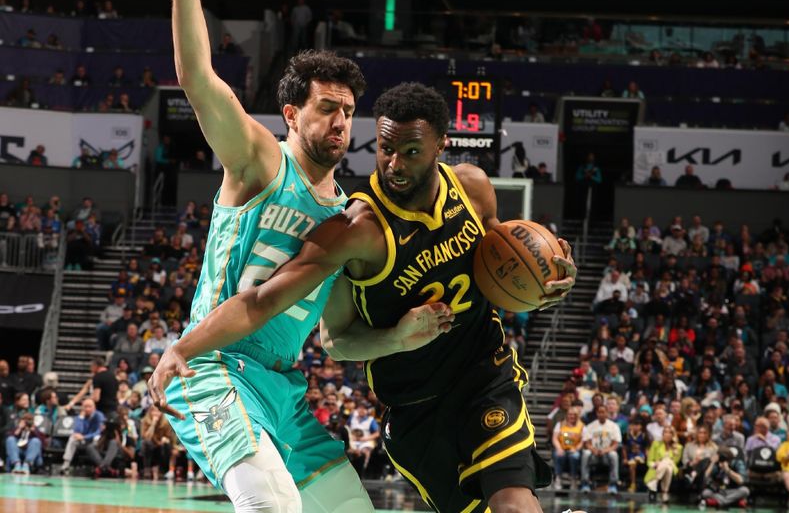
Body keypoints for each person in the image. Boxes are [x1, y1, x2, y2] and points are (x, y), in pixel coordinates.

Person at [149, 82, 578, 513]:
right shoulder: (355, 231)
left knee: (513, 504)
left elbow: (504, 266)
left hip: (485, 377)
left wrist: (545, 281)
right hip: (415, 408)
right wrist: (397, 337)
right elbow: (285, 313)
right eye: (386, 149)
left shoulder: (472, 188)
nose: (395, 165)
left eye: (411, 152)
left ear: (440, 147)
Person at [151, 0, 412, 511]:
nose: (342, 121)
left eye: (349, 109)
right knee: (273, 507)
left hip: (284, 388)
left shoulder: (348, 216)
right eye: (327, 107)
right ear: (292, 114)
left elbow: (339, 339)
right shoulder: (259, 162)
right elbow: (196, 77)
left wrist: (397, 336)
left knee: (352, 509)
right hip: (215, 365)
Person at [580, 404, 621, 494]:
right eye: (599, 412)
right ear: (597, 413)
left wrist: (605, 450)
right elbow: (587, 443)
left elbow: (615, 444)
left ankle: (613, 484)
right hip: (594, 455)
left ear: (607, 413)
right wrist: (593, 450)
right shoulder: (590, 426)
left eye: (603, 412)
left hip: (606, 455)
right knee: (585, 453)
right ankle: (585, 483)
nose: (601, 414)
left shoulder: (614, 426)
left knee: (614, 454)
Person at [60, 398, 105, 474]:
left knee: (96, 438)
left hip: (95, 441)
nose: (87, 409)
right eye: (85, 407)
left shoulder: (99, 416)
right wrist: (81, 418)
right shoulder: (80, 417)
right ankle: (66, 465)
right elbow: (77, 431)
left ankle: (100, 466)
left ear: (94, 407)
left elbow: (99, 432)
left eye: (89, 406)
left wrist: (84, 437)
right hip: (84, 441)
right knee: (72, 438)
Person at [644, 425, 681, 503]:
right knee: (667, 468)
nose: (667, 434)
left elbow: (675, 462)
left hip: (672, 469)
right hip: (656, 468)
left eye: (670, 432)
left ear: (673, 435)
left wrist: (674, 452)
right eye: (665, 432)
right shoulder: (656, 444)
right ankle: (665, 492)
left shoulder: (678, 447)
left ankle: (654, 483)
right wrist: (655, 464)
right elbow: (649, 461)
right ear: (662, 434)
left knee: (668, 464)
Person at [552, 406, 583, 490]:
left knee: (575, 456)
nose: (572, 416)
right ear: (566, 415)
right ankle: (558, 479)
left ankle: (573, 479)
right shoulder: (560, 424)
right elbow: (554, 438)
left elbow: (583, 441)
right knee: (558, 455)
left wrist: (576, 449)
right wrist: (559, 448)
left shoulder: (581, 426)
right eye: (570, 414)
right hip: (562, 448)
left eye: (574, 415)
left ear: (577, 416)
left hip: (574, 449)